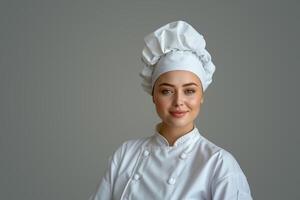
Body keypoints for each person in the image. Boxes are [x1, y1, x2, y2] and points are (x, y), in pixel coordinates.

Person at [89, 20, 253, 200]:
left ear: (202, 96)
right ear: (153, 95)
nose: (178, 102)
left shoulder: (219, 164)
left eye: (189, 91)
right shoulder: (126, 154)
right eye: (166, 91)